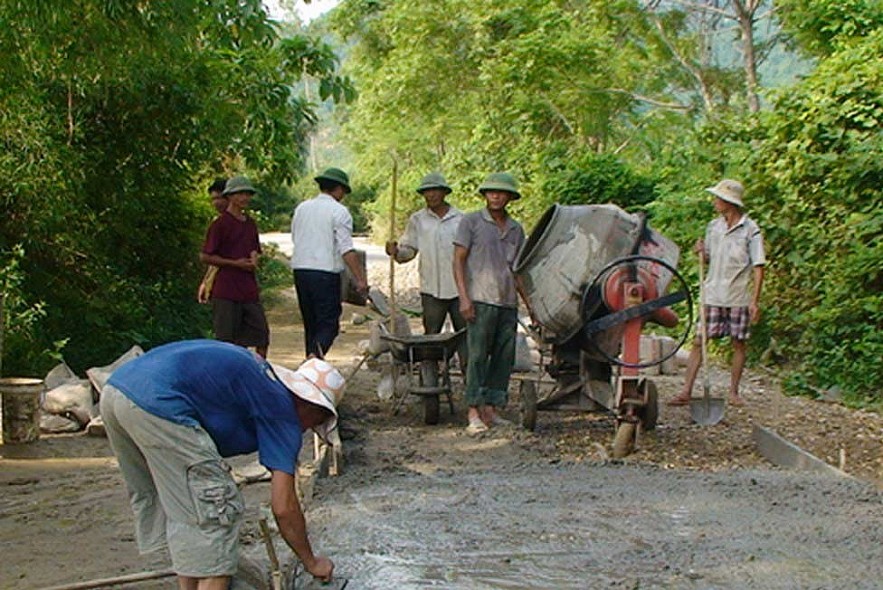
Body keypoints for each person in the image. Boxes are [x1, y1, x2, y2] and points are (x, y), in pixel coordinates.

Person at [100, 339, 343, 588]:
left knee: (191, 517)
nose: (308, 429)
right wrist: (311, 562)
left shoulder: (262, 381)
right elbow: (283, 507)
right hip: (157, 404)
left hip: (116, 391)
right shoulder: (283, 410)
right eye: (316, 421)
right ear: (311, 405)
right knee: (216, 519)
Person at [668, 179, 766, 407]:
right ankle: (686, 391)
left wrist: (755, 301)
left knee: (738, 343)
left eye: (718, 199)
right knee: (699, 341)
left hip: (737, 295)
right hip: (712, 293)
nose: (714, 202)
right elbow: (709, 258)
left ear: (730, 203)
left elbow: (758, 267)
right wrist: (701, 252)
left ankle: (733, 392)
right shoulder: (714, 227)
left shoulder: (751, 230)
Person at [453, 172, 533, 434]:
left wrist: (530, 305)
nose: (496, 196)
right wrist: (464, 298)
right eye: (491, 192)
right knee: (477, 356)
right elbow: (458, 261)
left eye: (501, 193)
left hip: (507, 302)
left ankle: (491, 408)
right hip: (480, 299)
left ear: (510, 197)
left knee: (503, 357)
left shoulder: (515, 229)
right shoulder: (471, 222)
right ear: (485, 195)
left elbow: (518, 270)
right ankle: (473, 411)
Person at [386, 172, 467, 364]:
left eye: (435, 191)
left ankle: (469, 382)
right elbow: (409, 251)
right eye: (427, 192)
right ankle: (429, 382)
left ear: (444, 193)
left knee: (465, 337)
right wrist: (396, 251)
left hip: (460, 290)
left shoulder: (461, 219)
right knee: (430, 337)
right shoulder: (418, 220)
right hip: (431, 289)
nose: (431, 195)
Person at [290, 167, 368, 359]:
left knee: (311, 323)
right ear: (339, 189)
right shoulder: (339, 212)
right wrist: (360, 280)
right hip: (325, 273)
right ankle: (313, 358)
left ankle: (311, 367)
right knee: (329, 324)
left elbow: (295, 237)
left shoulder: (302, 208)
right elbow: (346, 250)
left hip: (301, 270)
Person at [200, 175, 270, 358]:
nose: (245, 198)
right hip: (225, 290)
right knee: (227, 341)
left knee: (261, 335)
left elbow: (254, 248)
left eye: (248, 194)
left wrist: (254, 260)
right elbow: (205, 256)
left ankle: (259, 373)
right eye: (240, 194)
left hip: (248, 288)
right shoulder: (220, 224)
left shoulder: (250, 224)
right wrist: (234, 264)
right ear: (229, 196)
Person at [197, 178, 228, 304]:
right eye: (213, 199)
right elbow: (212, 259)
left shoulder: (245, 223)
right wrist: (206, 282)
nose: (216, 203)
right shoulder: (217, 224)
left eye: (219, 198)